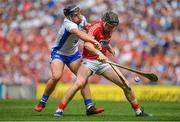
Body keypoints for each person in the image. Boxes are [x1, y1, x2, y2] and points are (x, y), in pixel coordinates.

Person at [54, 11, 152, 117]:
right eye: (110, 26)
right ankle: (59, 110)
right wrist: (98, 53)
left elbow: (102, 41)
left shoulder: (109, 29)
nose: (111, 28)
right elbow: (87, 44)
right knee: (79, 83)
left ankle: (138, 112)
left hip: (104, 62)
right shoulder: (95, 28)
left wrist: (109, 48)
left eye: (114, 26)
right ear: (104, 22)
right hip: (89, 61)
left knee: (126, 85)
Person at [34, 4, 104, 116]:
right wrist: (95, 42)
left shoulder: (82, 19)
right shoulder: (68, 24)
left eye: (79, 13)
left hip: (73, 54)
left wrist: (98, 29)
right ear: (70, 17)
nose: (80, 17)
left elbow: (88, 28)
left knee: (82, 77)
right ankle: (43, 100)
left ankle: (89, 106)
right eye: (76, 15)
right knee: (56, 76)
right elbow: (80, 34)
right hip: (59, 53)